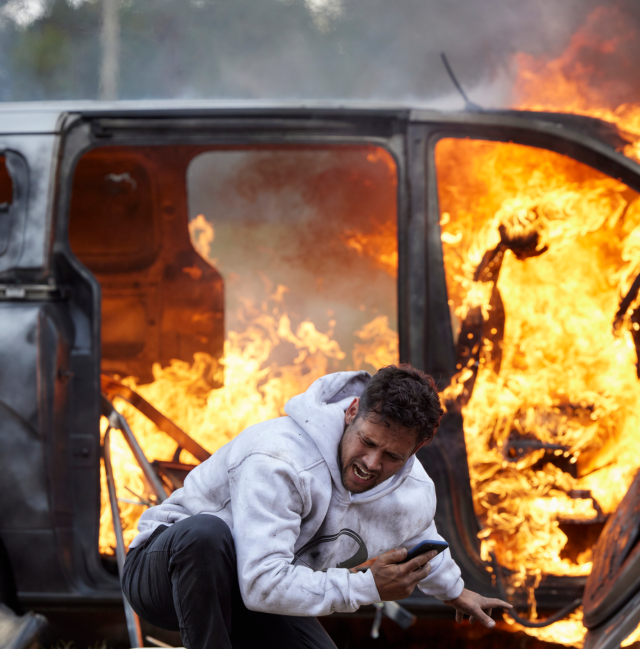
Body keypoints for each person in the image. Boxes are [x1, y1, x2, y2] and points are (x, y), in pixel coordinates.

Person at [123, 364, 511, 648]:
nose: (372, 464)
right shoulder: (279, 458)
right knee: (205, 535)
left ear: (415, 450)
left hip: (249, 597)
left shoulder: (412, 488)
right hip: (164, 576)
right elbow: (261, 584)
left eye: (391, 455)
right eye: (367, 442)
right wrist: (366, 587)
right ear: (351, 411)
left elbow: (418, 538)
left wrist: (457, 591)